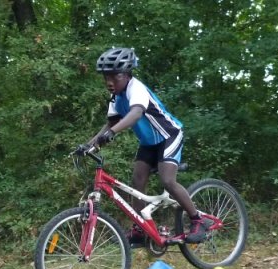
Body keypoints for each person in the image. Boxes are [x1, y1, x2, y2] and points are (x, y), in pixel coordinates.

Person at [87, 47, 212, 244]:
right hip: (149, 143)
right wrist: (89, 145)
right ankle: (140, 228)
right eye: (106, 77)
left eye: (114, 77)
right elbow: (110, 123)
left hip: (169, 135)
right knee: (137, 181)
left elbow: (136, 113)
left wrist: (112, 133)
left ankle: (199, 220)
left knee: (168, 181)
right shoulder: (116, 97)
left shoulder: (136, 88)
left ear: (127, 74)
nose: (109, 82)